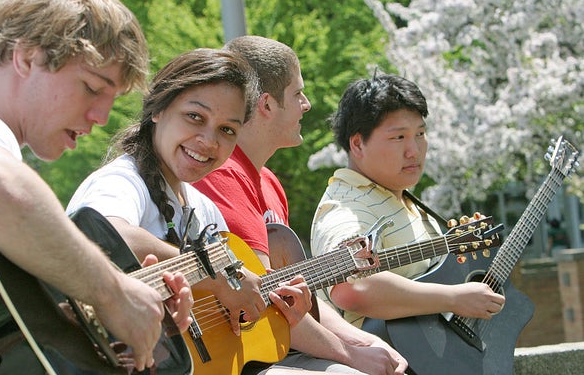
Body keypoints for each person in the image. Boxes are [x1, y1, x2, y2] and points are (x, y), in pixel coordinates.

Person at [0, 0, 192, 373]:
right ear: (27, 58)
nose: (101, 117)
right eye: (93, 88)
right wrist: (113, 294)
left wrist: (98, 322)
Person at [66, 47, 316, 375]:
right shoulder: (122, 181)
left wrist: (269, 310)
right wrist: (218, 276)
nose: (209, 140)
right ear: (158, 108)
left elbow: (225, 312)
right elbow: (105, 234)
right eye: (195, 117)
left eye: (227, 129)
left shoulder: (204, 209)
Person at [193, 35, 408, 375]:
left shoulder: (271, 183)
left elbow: (295, 298)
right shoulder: (222, 176)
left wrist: (362, 341)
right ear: (266, 105)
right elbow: (265, 303)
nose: (306, 104)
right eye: (297, 93)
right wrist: (351, 355)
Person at [309, 74, 506, 329]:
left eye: (420, 134)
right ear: (358, 144)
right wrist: (453, 299)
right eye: (399, 137)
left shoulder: (399, 196)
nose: (414, 150)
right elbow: (351, 287)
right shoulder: (346, 207)